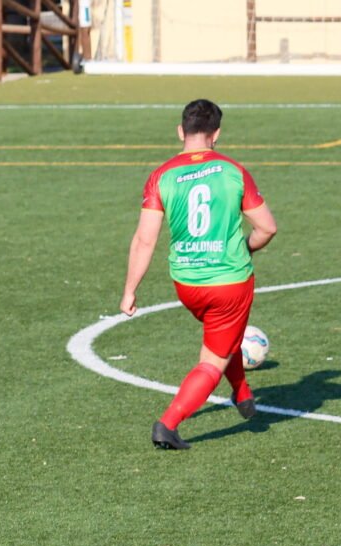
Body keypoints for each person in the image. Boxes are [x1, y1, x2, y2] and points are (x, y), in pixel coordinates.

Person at [120, 99, 278, 450]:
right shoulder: (233, 171)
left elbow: (145, 239)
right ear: (216, 134)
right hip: (229, 282)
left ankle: (242, 393)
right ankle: (168, 425)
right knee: (212, 361)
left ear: (181, 131)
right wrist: (245, 247)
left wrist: (130, 290)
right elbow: (267, 228)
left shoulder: (162, 175)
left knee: (221, 336)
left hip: (187, 283)